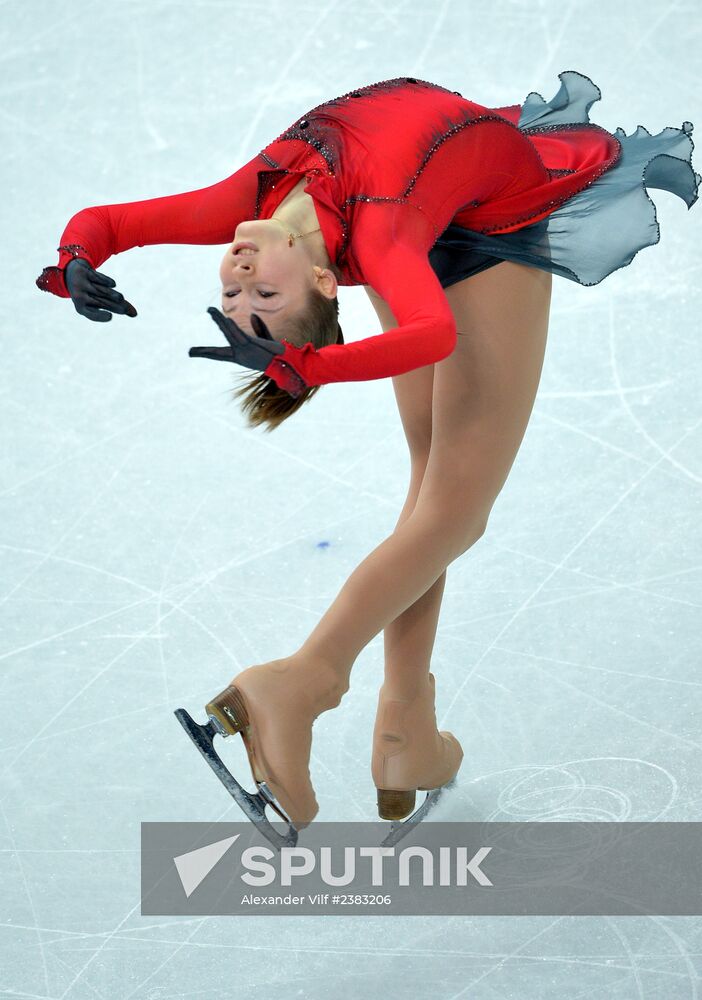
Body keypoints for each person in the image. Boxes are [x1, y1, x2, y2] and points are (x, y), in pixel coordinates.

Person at [37, 71, 699, 843]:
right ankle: (305, 684)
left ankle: (405, 732)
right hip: (476, 222)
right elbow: (430, 331)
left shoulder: (255, 199)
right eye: (265, 307)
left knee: (434, 493)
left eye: (238, 302)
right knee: (455, 510)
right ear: (325, 281)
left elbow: (113, 220)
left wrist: (77, 256)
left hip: (453, 203)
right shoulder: (376, 235)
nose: (242, 283)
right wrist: (303, 365)